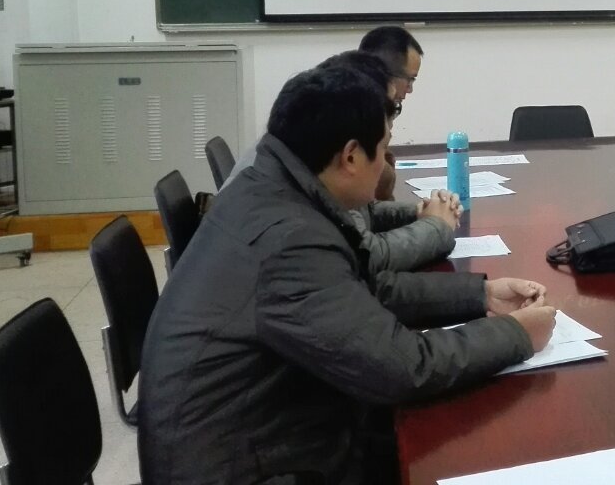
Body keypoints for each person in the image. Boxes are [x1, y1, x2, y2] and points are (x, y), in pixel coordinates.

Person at [139, 59, 557, 485]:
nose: (385, 167)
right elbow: (402, 367)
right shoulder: (288, 239)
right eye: (385, 147)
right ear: (352, 156)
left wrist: (480, 295)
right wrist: (517, 335)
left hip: (260, 432)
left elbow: (362, 292)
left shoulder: (269, 187)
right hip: (247, 467)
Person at [224, 26, 459, 276]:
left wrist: (417, 213)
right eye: (391, 107)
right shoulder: (328, 135)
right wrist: (437, 226)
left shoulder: (316, 120)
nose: (390, 122)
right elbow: (366, 255)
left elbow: (359, 214)